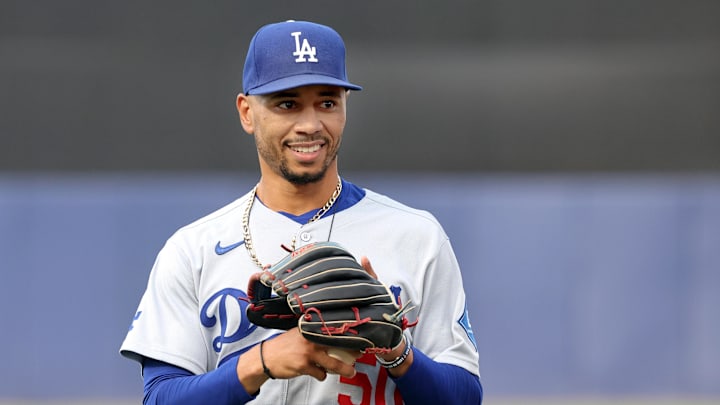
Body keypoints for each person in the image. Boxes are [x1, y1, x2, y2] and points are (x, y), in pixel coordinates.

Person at [120, 20, 483, 404]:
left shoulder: (416, 236)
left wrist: (397, 349)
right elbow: (161, 397)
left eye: (327, 102)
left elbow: (464, 396)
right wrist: (259, 362)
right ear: (247, 112)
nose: (310, 124)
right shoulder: (193, 250)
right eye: (287, 104)